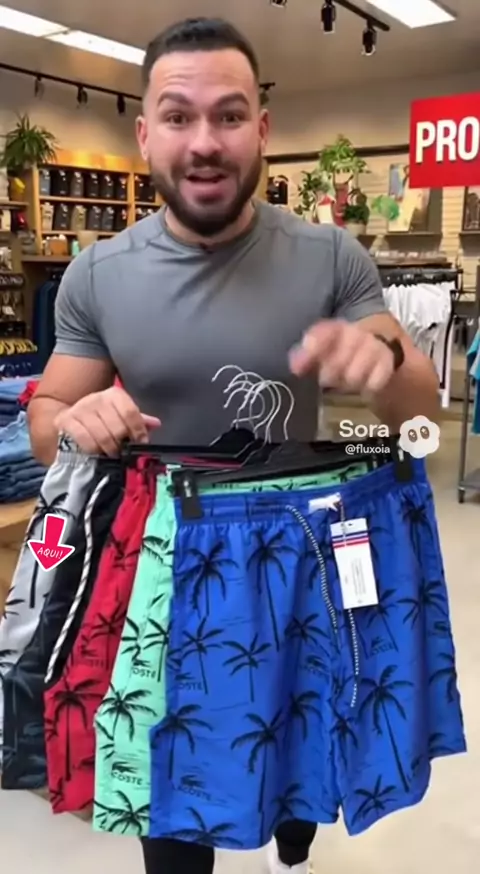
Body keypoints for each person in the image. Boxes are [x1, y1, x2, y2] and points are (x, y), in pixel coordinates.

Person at [27, 16, 440, 874]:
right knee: (173, 799)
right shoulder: (98, 274)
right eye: (179, 116)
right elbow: (47, 420)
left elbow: (419, 419)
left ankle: (293, 848)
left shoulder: (330, 256)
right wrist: (74, 421)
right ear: (146, 135)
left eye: (229, 114)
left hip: (304, 553)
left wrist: (383, 362)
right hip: (161, 561)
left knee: (298, 757)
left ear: (262, 129)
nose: (205, 140)